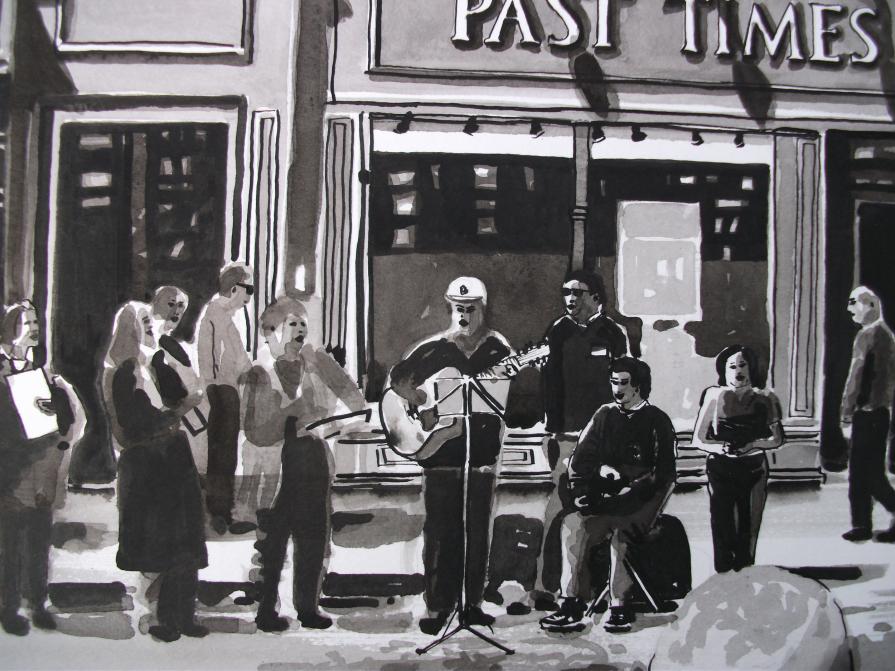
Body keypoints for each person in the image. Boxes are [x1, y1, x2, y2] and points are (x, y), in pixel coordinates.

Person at [388, 276, 516, 635]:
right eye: (458, 309)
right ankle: (437, 605)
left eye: (470, 309)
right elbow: (398, 380)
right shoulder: (435, 348)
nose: (464, 315)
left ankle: (471, 604)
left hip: (482, 453)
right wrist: (422, 402)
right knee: (442, 530)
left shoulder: (498, 350)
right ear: (449, 308)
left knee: (477, 530)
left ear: (482, 309)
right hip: (440, 453)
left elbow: (507, 400)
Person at [244, 297, 367, 632]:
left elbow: (352, 395)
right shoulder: (259, 372)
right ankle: (266, 608)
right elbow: (255, 430)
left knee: (313, 536)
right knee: (272, 540)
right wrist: (294, 414)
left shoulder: (317, 359)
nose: (300, 330)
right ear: (271, 333)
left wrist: (341, 421)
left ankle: (307, 607)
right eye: (291, 324)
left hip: (312, 458)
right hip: (276, 465)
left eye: (302, 323)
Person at [516, 270, 628, 614]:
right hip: (563, 437)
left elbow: (625, 384)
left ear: (597, 297)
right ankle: (544, 588)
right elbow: (549, 385)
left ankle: (591, 589)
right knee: (558, 510)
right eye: (566, 292)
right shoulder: (558, 331)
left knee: (595, 513)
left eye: (578, 293)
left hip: (602, 439)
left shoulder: (613, 334)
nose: (570, 299)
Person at [539, 357, 676, 634]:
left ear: (638, 386)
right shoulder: (604, 415)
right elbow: (580, 460)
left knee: (622, 534)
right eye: (614, 382)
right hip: (607, 496)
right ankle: (571, 605)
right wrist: (580, 493)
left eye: (623, 383)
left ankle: (619, 607)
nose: (617, 389)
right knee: (575, 525)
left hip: (642, 499)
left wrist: (630, 489)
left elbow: (663, 474)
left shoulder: (657, 420)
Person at [104, 301, 207, 642]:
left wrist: (182, 403)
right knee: (161, 545)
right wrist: (173, 413)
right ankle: (163, 617)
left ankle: (186, 615)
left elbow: (183, 397)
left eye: (151, 320)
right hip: (149, 467)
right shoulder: (125, 372)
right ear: (130, 329)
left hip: (174, 460)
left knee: (186, 542)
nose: (152, 325)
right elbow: (132, 424)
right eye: (144, 321)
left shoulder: (156, 363)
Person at [0, 300, 82, 636]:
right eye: (28, 322)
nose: (34, 327)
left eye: (36, 321)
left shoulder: (41, 370)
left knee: (38, 535)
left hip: (40, 468)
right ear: (10, 328)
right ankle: (8, 607)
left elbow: (63, 419)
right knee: (9, 540)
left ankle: (37, 601)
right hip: (11, 469)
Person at [691, 345, 785, 572]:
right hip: (721, 467)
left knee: (749, 526)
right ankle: (723, 574)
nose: (738, 371)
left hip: (754, 468)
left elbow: (777, 439)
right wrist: (721, 448)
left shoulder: (766, 398)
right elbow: (698, 439)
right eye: (732, 366)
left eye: (743, 365)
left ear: (753, 368)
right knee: (723, 524)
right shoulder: (714, 395)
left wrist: (752, 445)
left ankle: (746, 573)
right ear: (723, 371)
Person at [196, 263, 256, 535]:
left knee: (224, 453)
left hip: (223, 389)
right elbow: (220, 359)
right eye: (249, 290)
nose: (249, 297)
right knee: (223, 454)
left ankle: (222, 512)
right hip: (222, 391)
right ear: (234, 288)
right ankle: (221, 514)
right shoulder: (218, 315)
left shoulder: (221, 316)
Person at [839, 287, 895, 543]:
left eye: (854, 303)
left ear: (870, 305)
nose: (850, 309)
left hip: (867, 412)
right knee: (867, 471)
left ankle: (862, 524)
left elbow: (856, 376)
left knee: (865, 473)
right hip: (881, 412)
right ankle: (861, 524)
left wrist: (847, 412)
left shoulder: (867, 335)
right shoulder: (887, 336)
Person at [150, 286, 208, 473]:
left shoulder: (174, 345)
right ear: (155, 304)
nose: (176, 311)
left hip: (187, 421)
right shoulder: (150, 344)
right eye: (170, 304)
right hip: (164, 420)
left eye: (181, 306)